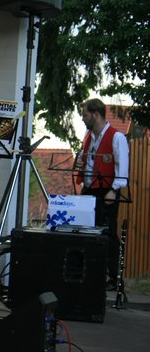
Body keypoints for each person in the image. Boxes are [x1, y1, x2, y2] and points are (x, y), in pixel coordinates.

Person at [76, 98, 129, 290]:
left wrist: (114, 190)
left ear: (96, 115)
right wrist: (81, 163)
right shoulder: (89, 136)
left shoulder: (117, 137)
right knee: (85, 231)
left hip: (107, 190)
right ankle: (89, 274)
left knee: (108, 233)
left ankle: (114, 278)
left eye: (85, 115)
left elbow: (122, 168)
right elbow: (89, 162)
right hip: (90, 188)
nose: (83, 119)